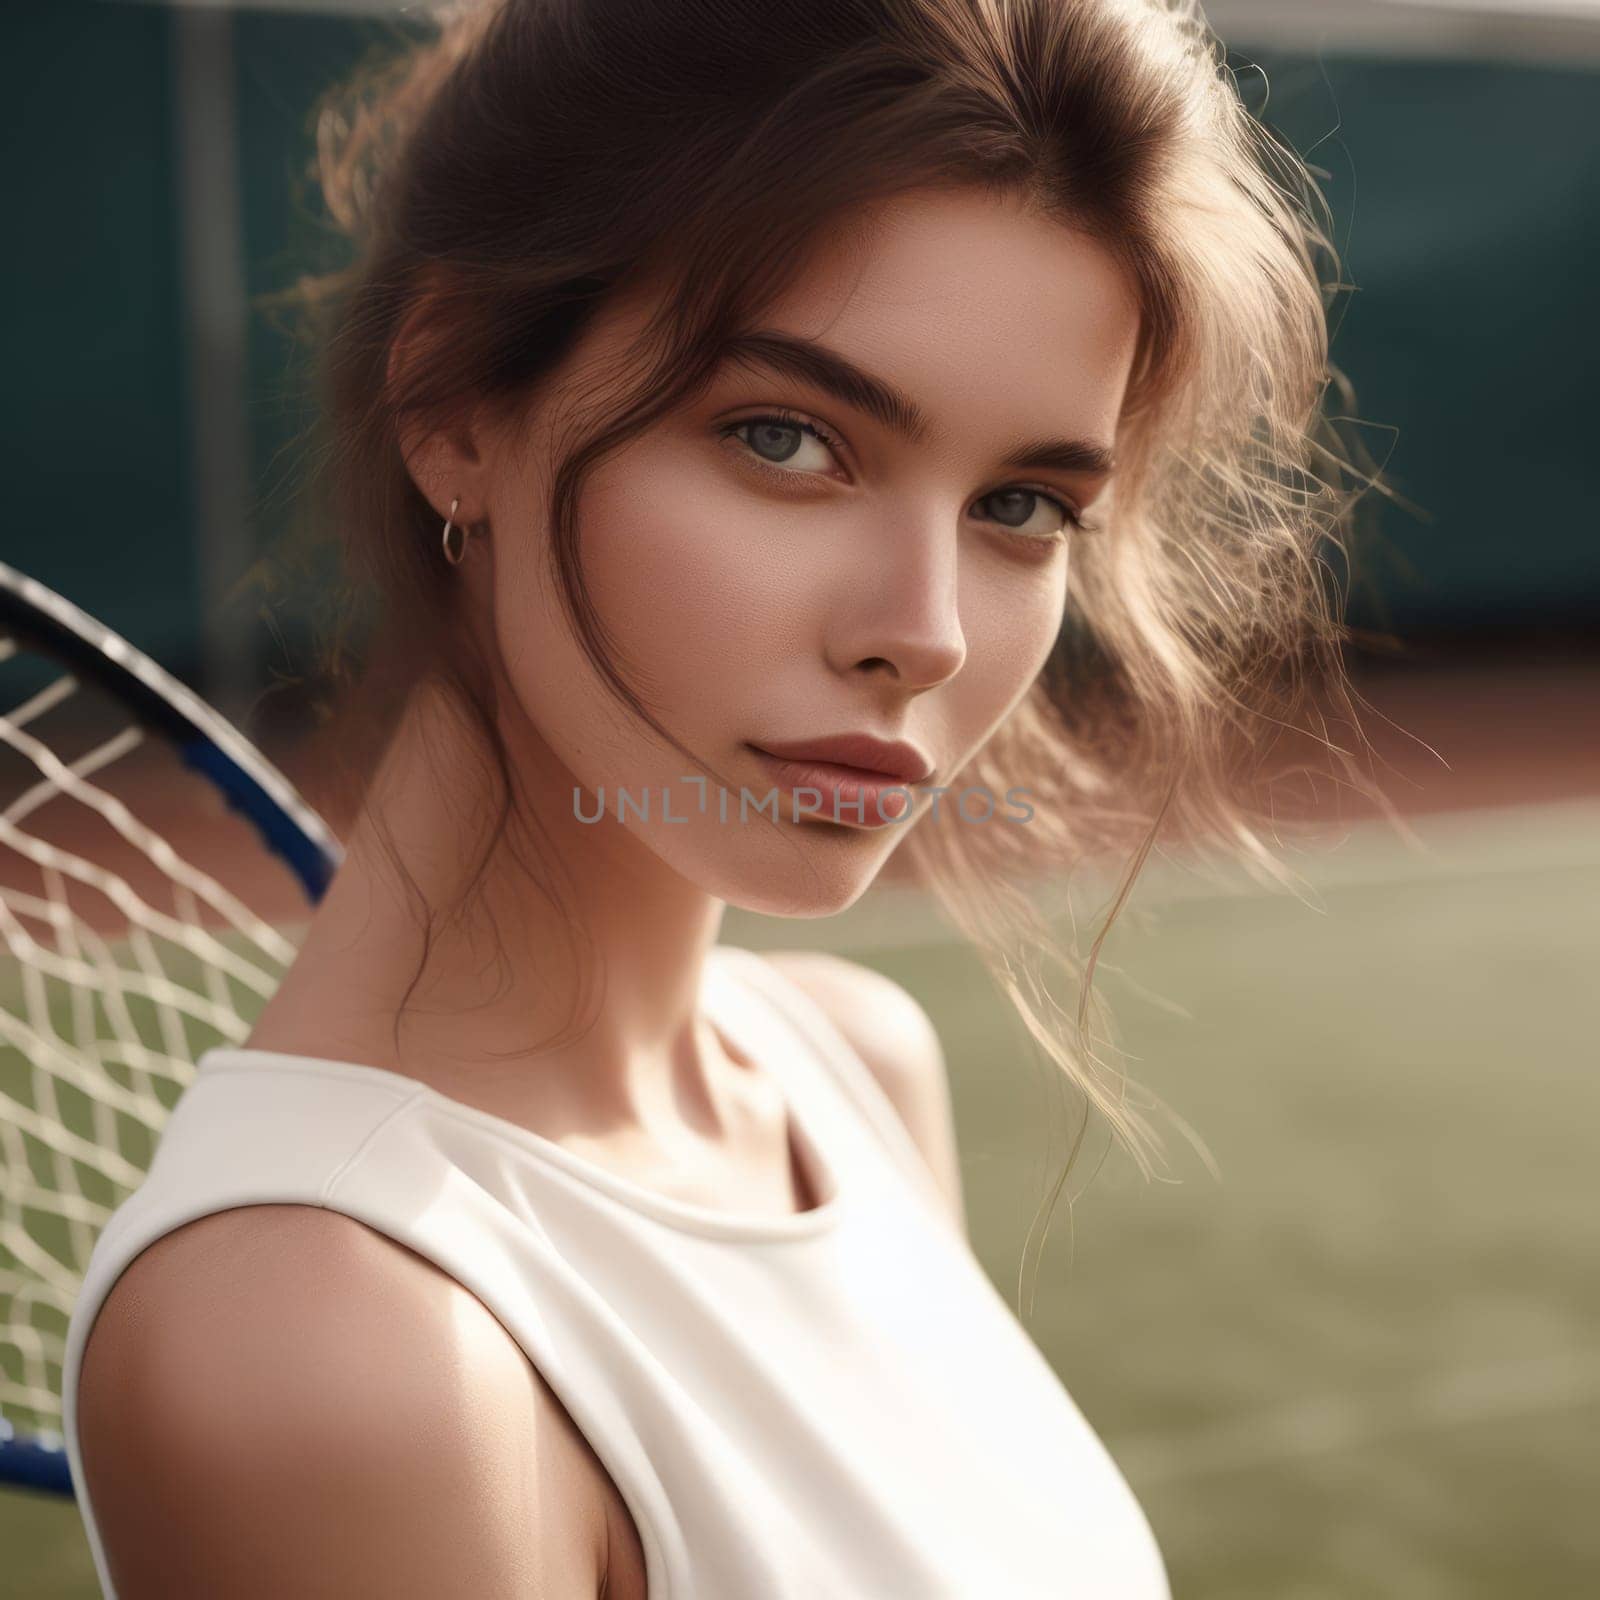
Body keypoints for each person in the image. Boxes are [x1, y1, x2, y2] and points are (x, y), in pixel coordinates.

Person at [62, 0, 1377, 1594]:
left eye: (1024, 506)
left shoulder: (847, 1068)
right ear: (455, 410)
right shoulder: (328, 1341)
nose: (927, 630)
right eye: (786, 439)